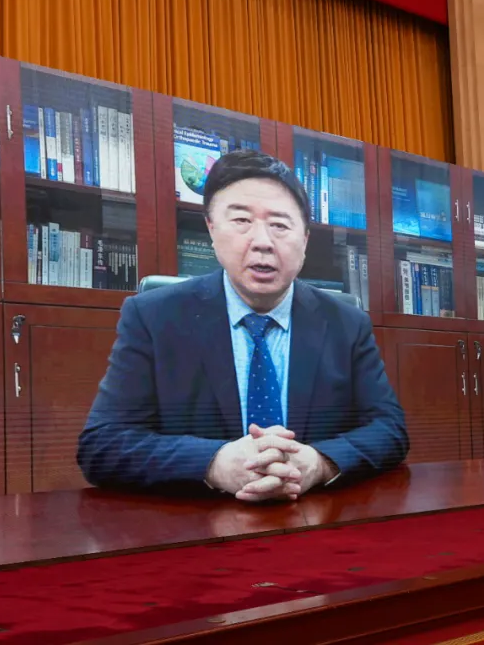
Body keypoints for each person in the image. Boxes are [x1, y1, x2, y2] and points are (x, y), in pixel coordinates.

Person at [77, 150, 409, 502]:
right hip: (195, 523)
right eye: (241, 220)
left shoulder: (347, 324)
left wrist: (320, 463)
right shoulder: (153, 317)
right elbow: (102, 444)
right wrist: (213, 463)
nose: (262, 241)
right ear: (212, 229)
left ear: (305, 240)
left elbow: (390, 430)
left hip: (314, 518)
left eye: (279, 225)